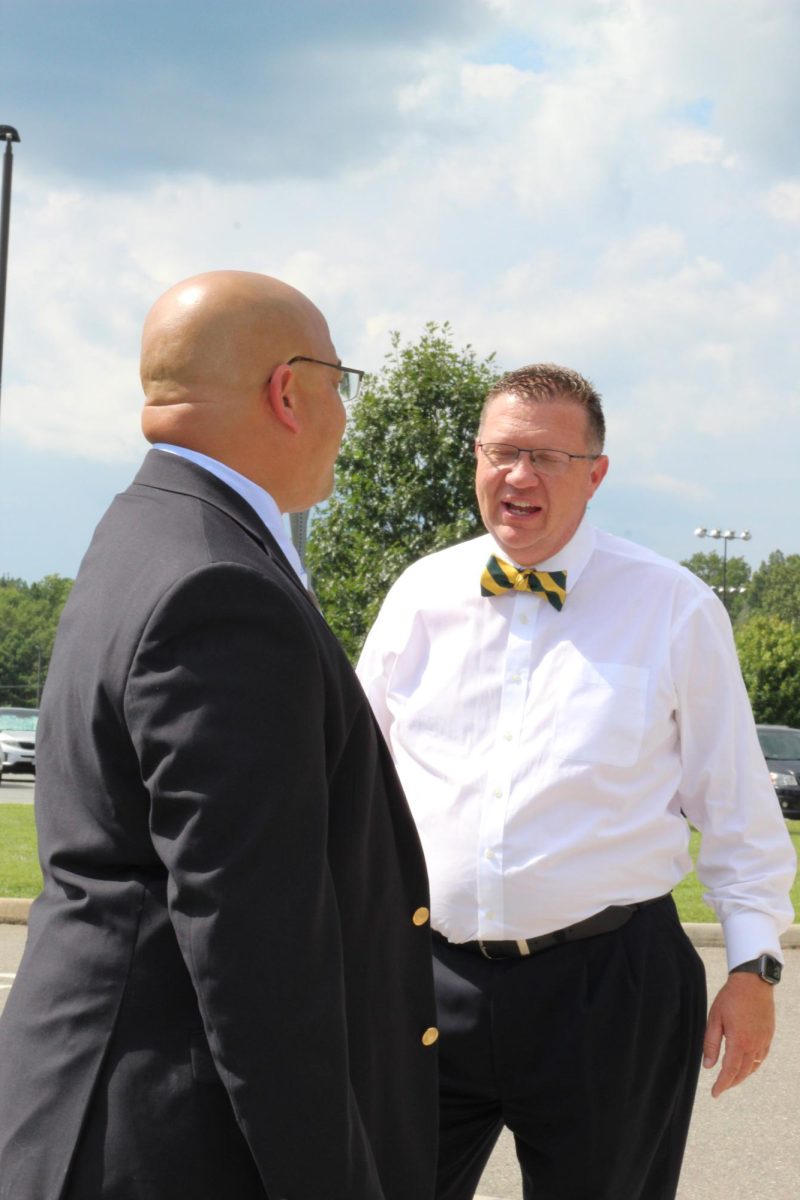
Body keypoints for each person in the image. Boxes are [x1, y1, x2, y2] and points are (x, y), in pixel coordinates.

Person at [0, 270, 439, 1200]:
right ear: (288, 390)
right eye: (339, 384)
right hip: (173, 1140)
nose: (344, 417)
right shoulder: (221, 586)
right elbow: (255, 953)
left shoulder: (147, 531)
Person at [356, 362, 796, 1200]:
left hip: (608, 988)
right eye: (501, 452)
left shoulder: (675, 606)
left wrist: (754, 971)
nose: (519, 476)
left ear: (595, 475)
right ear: (476, 460)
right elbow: (353, 784)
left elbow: (737, 811)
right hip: (425, 978)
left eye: (548, 458)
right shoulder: (421, 595)